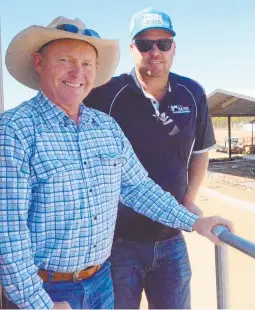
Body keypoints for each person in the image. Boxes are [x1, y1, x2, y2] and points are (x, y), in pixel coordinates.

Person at [0, 16, 233, 310]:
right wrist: (40, 304)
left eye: (87, 64)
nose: (77, 72)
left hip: (101, 283)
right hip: (45, 288)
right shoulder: (14, 130)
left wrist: (196, 221)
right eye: (65, 60)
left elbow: (138, 188)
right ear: (39, 62)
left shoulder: (106, 127)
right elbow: (8, 233)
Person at [82, 8, 216, 309]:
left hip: (171, 239)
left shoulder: (192, 93)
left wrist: (188, 199)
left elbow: (200, 152)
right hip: (118, 244)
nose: (155, 51)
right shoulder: (107, 92)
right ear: (132, 49)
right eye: (145, 44)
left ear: (174, 48)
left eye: (163, 43)